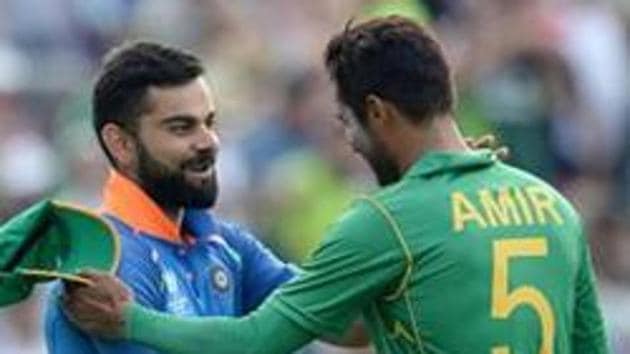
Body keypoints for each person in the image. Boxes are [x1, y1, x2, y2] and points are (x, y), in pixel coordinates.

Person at [63, 16, 608, 353]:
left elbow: (254, 342)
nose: (349, 142)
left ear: (377, 112)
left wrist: (129, 319)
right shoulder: (552, 205)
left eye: (346, 123)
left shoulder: (387, 221)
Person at [44, 41, 300, 353]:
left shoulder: (220, 242)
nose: (209, 142)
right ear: (121, 144)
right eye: (182, 128)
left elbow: (344, 325)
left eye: (209, 122)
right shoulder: (108, 261)